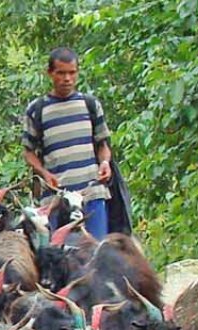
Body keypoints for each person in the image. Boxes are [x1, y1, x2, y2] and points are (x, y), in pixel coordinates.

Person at [21, 47, 132, 239]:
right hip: (56, 200)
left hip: (92, 194)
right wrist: (44, 173)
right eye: (61, 73)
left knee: (96, 250)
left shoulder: (90, 105)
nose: (67, 79)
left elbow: (103, 145)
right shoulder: (37, 110)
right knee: (61, 253)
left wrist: (105, 163)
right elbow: (28, 152)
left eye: (72, 73)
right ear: (49, 73)